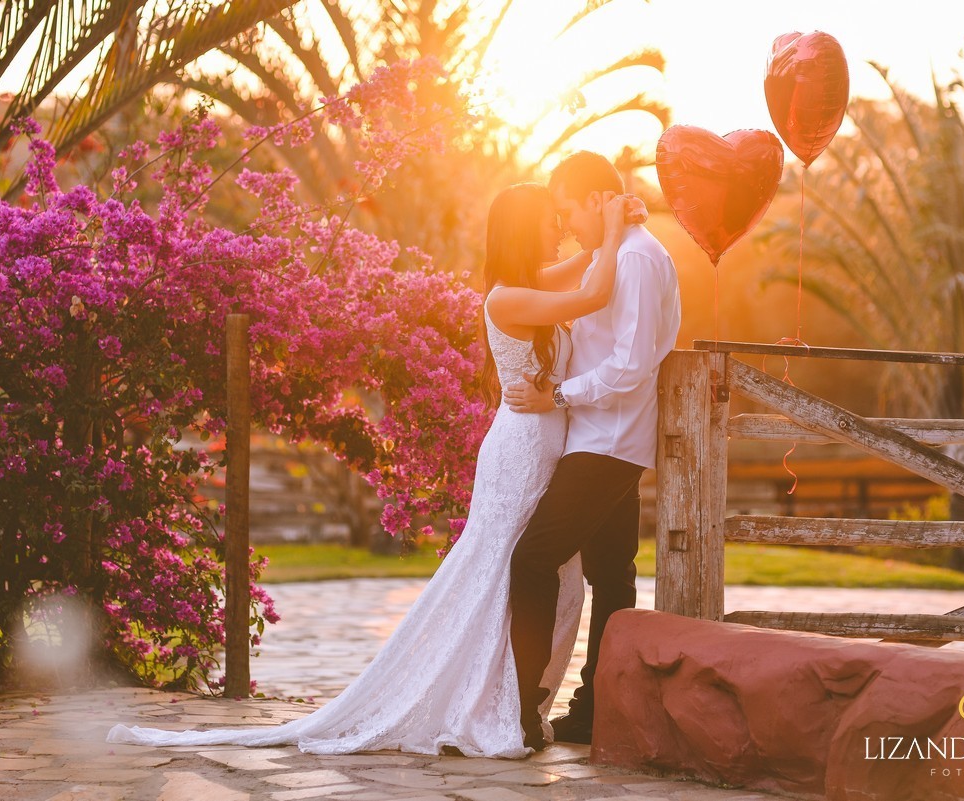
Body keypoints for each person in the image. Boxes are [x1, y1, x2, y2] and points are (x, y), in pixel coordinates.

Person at [106, 182, 642, 758]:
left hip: (547, 445)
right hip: (519, 449)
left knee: (545, 574)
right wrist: (612, 234)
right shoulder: (507, 298)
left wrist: (613, 223)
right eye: (546, 219)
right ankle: (482, 704)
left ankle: (511, 702)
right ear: (520, 228)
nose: (557, 227)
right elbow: (592, 294)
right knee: (495, 570)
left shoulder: (533, 283)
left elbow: (585, 268)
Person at [503, 151, 681, 750]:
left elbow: (631, 363)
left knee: (533, 558)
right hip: (600, 436)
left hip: (606, 440)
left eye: (567, 210)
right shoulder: (622, 251)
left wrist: (559, 395)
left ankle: (524, 710)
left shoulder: (633, 257)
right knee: (612, 576)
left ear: (596, 199)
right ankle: (593, 709)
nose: (565, 223)